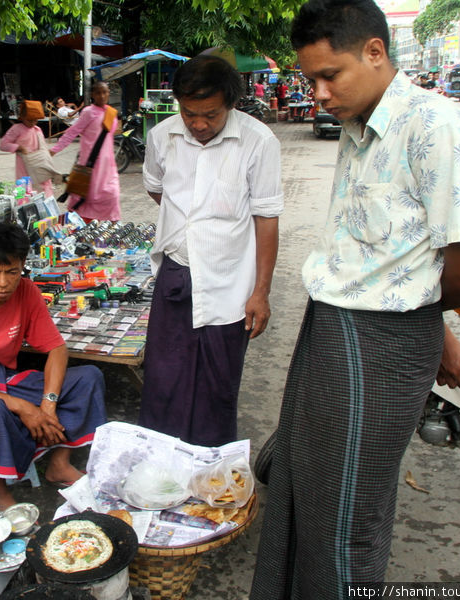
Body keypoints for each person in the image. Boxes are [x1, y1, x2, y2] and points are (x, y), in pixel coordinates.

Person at [250, 1, 460, 597]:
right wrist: (442, 332)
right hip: (331, 330)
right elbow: (399, 264)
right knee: (298, 482)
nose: (319, 95)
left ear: (375, 52)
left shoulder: (434, 127)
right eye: (311, 80)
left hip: (383, 346)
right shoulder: (359, 127)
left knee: (344, 516)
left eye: (329, 75)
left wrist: (427, 329)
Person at [137, 54, 283, 448]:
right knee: (163, 375)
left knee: (217, 382)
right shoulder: (162, 136)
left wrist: (261, 292)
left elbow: (266, 219)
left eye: (211, 115)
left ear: (232, 104)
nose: (199, 124)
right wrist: (190, 228)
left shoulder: (258, 141)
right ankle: (162, 460)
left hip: (229, 280)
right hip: (175, 271)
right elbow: (156, 189)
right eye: (189, 113)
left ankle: (210, 468)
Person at [0, 222, 107, 510]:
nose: (3, 282)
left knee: (88, 377)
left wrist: (47, 405)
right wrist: (24, 407)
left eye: (12, 272)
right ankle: (0, 494)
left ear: (22, 266)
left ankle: (59, 464)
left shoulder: (27, 292)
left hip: (8, 378)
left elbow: (57, 349)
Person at [50, 81, 121, 222]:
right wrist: (54, 150)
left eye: (105, 92)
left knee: (111, 195)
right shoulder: (88, 112)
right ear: (93, 95)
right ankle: (79, 230)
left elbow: (109, 136)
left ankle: (111, 231)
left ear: (108, 94)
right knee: (85, 198)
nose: (102, 95)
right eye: (98, 92)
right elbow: (71, 132)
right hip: (89, 165)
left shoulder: (111, 113)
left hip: (108, 166)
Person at [0, 100, 59, 197]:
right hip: (24, 165)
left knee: (44, 190)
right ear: (22, 117)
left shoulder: (37, 129)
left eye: (35, 120)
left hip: (39, 165)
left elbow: (43, 147)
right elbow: (3, 145)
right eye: (29, 120)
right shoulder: (16, 128)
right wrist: (18, 147)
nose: (32, 123)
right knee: (25, 191)